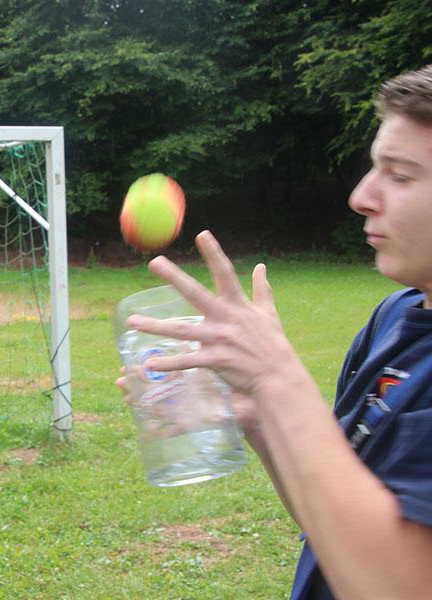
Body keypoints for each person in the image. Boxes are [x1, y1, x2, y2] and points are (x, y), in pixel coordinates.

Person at [123, 64, 432, 599]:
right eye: (373, 168)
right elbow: (333, 520)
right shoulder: (394, 319)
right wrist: (255, 415)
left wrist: (277, 377)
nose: (362, 195)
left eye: (400, 175)